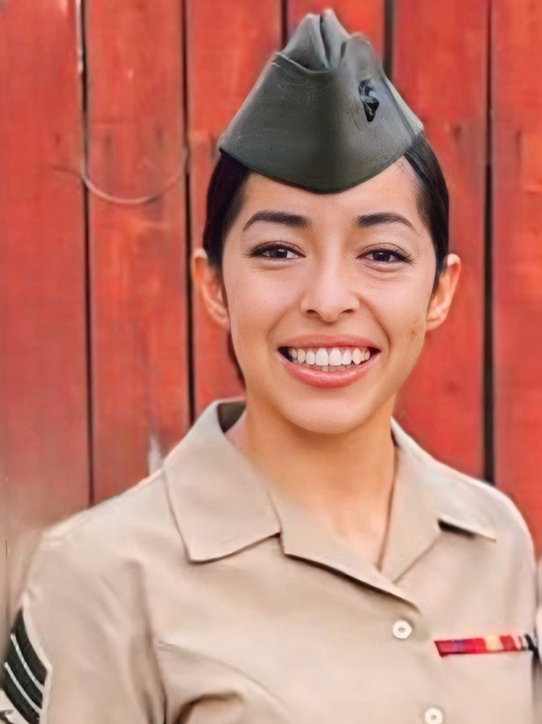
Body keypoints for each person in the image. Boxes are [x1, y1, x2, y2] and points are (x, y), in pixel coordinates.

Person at [1, 8, 540, 724]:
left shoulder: (495, 542)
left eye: (382, 254)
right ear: (214, 286)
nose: (328, 299)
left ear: (439, 291)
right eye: (278, 251)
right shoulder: (102, 577)